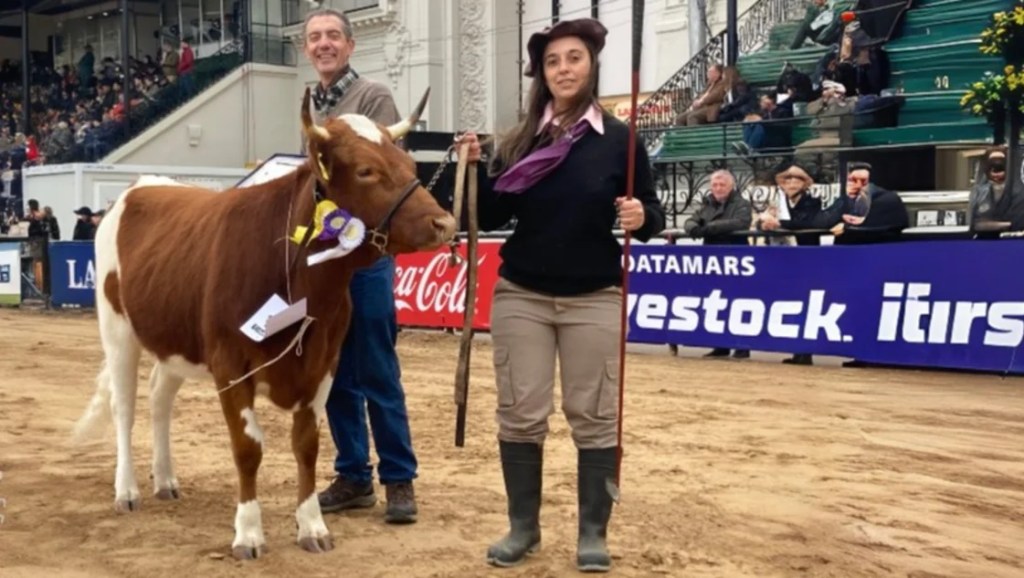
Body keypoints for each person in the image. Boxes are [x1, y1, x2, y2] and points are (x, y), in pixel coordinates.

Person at [456, 18, 665, 573]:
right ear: (541, 75)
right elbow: (495, 212)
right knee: (521, 414)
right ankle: (523, 527)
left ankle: (592, 532)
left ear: (591, 65)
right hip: (521, 292)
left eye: (573, 58)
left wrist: (643, 215)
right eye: (553, 61)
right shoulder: (522, 139)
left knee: (593, 415)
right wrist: (475, 171)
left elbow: (649, 210)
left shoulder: (621, 140)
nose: (564, 68)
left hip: (595, 294)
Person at [304, 7, 419, 525]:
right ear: (308, 49)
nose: (323, 44)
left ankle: (399, 480)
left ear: (350, 46)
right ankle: (353, 475)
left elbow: (386, 170)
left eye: (332, 36)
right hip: (326, 261)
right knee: (332, 368)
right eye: (314, 38)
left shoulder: (373, 98)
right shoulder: (309, 105)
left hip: (367, 256)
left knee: (375, 366)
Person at [757, 162, 824, 365]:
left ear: (804, 184)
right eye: (788, 179)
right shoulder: (777, 203)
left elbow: (806, 222)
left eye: (797, 179)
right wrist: (765, 223)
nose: (792, 183)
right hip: (784, 258)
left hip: (806, 258)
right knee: (790, 302)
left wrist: (780, 224)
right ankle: (797, 350)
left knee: (807, 303)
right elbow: (763, 223)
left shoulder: (812, 201)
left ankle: (806, 352)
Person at [683, 170, 752, 360]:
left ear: (731, 186)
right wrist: (696, 228)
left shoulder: (742, 204)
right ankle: (720, 344)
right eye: (714, 185)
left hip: (736, 259)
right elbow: (689, 222)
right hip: (712, 260)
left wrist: (707, 229)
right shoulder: (707, 204)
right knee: (716, 301)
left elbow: (741, 222)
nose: (718, 188)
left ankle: (742, 345)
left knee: (739, 302)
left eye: (722, 185)